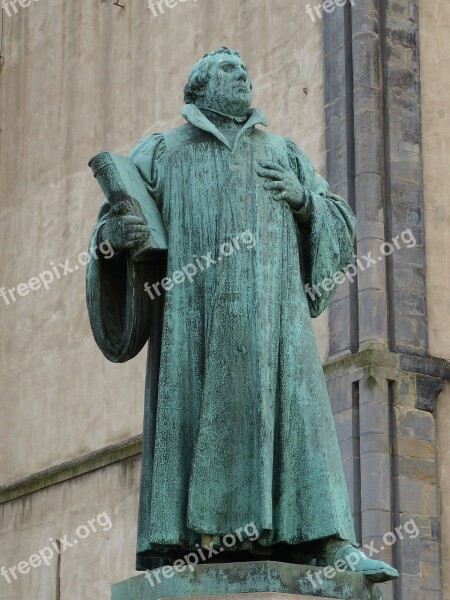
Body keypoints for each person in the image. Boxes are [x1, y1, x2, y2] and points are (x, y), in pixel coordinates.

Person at [86, 47, 398, 583]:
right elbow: (112, 227)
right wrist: (114, 242)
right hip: (194, 323)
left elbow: (340, 222)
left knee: (301, 418)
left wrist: (305, 203)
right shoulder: (162, 152)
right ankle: (184, 546)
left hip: (276, 327)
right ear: (199, 85)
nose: (242, 74)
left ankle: (329, 546)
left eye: (244, 69)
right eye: (228, 68)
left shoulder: (283, 150)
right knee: (192, 414)